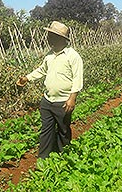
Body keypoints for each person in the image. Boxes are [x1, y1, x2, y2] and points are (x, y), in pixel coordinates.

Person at [16, 21, 83, 159]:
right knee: (46, 130)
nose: (47, 37)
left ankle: (64, 157)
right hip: (47, 100)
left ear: (60, 38)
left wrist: (72, 98)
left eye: (50, 35)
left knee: (63, 130)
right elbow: (42, 70)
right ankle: (43, 158)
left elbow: (77, 78)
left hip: (63, 102)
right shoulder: (49, 55)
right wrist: (27, 78)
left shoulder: (72, 56)